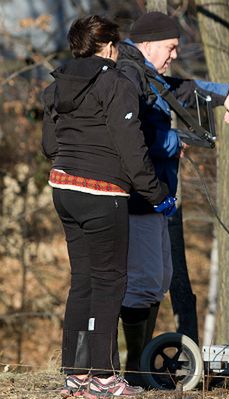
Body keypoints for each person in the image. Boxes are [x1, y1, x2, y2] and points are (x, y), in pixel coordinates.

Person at [42, 15, 176, 397]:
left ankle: (75, 376)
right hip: (103, 193)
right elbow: (132, 151)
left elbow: (50, 147)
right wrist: (158, 195)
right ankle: (103, 377)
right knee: (110, 283)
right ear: (111, 46)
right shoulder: (116, 82)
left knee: (82, 281)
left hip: (63, 189)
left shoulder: (55, 86)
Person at [114, 11, 229, 384]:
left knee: (160, 279)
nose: (174, 55)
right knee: (142, 282)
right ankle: (132, 372)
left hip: (157, 196)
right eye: (170, 48)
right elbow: (131, 137)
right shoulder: (129, 75)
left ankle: (138, 366)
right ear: (148, 44)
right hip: (139, 197)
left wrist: (224, 94)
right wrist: (176, 142)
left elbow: (177, 89)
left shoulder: (146, 73)